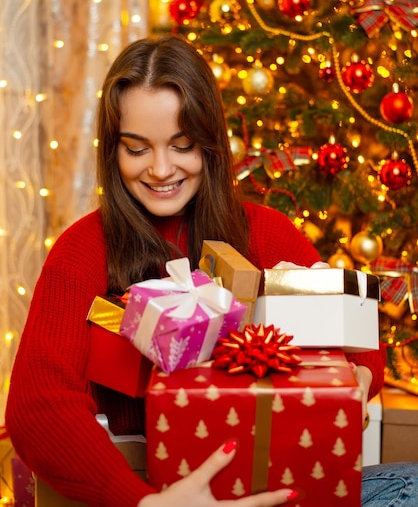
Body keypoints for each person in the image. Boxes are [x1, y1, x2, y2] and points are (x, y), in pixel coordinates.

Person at [5, 36, 418, 507]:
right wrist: (142, 502)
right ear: (113, 152)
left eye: (181, 145)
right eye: (137, 149)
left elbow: (360, 342)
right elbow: (38, 406)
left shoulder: (265, 232)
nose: (161, 169)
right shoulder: (83, 249)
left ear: (210, 142)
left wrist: (356, 379)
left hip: (283, 484)